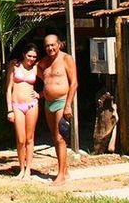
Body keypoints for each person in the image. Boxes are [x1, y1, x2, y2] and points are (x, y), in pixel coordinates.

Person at [37, 34, 78, 185]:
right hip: (48, 103)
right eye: (47, 46)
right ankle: (64, 170)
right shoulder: (45, 62)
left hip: (62, 102)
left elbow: (74, 83)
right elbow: (36, 69)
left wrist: (68, 105)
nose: (50, 48)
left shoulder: (66, 59)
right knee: (55, 137)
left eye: (53, 45)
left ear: (59, 44)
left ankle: (60, 175)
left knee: (61, 138)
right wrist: (44, 87)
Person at [5, 43, 40, 179]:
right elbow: (8, 89)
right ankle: (21, 168)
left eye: (34, 57)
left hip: (32, 105)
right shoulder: (14, 66)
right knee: (20, 139)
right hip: (17, 105)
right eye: (29, 55)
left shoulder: (36, 68)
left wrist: (40, 93)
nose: (31, 59)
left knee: (30, 138)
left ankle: (28, 170)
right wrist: (9, 110)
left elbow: (50, 79)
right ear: (24, 54)